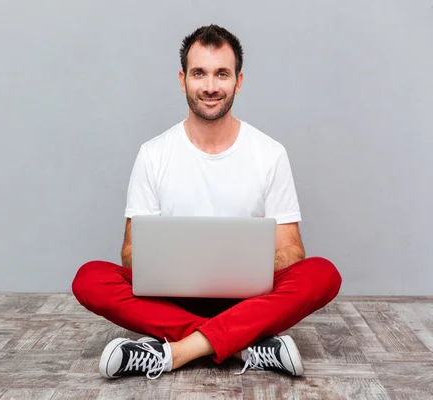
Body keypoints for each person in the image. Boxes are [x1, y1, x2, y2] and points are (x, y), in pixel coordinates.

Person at [71, 24, 342, 380]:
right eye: (200, 73)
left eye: (222, 74)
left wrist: (245, 264)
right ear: (183, 80)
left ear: (238, 81)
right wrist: (178, 265)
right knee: (90, 278)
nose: (211, 86)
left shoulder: (270, 154)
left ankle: (178, 351)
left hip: (248, 299)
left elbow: (292, 249)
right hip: (171, 299)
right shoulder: (153, 154)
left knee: (322, 274)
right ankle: (244, 344)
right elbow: (130, 252)